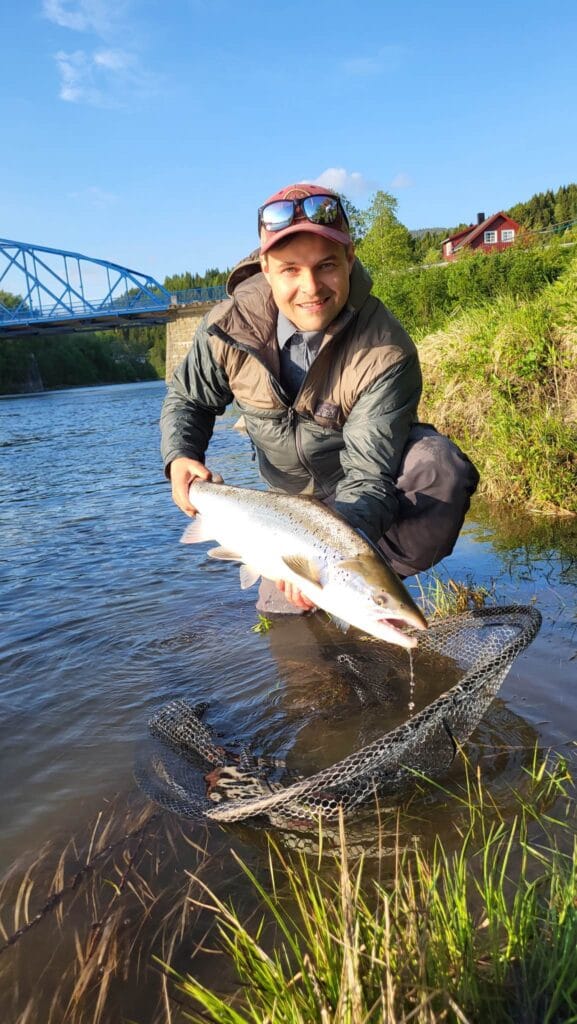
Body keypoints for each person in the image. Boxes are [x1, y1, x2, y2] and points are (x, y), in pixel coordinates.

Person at [160, 183, 479, 613]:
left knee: (439, 469)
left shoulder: (385, 349)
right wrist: (180, 456)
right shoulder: (227, 329)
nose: (310, 287)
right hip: (285, 509)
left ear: (350, 259)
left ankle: (375, 587)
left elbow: (369, 478)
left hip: (366, 494)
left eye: (326, 265)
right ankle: (343, 592)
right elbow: (188, 399)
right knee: (295, 640)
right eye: (290, 269)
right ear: (266, 268)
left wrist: (327, 563)